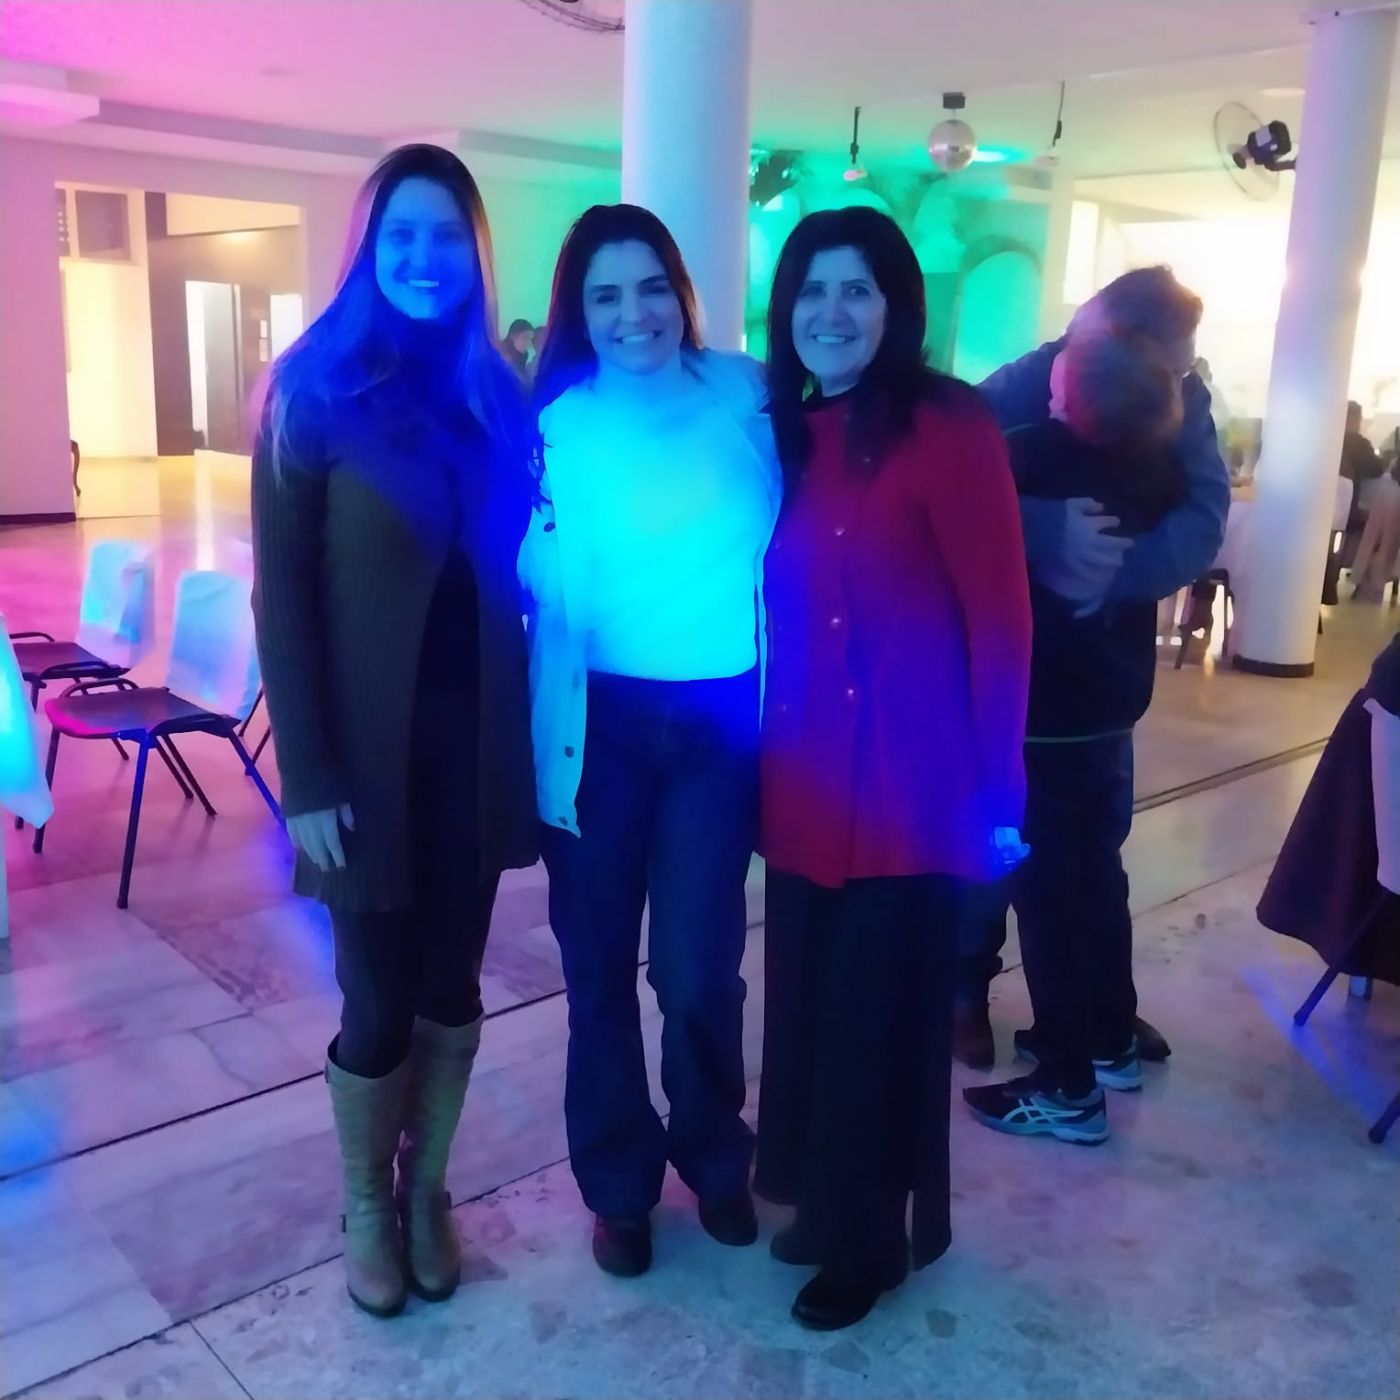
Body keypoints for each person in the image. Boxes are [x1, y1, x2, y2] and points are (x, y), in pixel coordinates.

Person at [251, 144, 538, 1319]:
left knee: (451, 983)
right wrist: (307, 773)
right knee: (374, 997)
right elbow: (283, 597)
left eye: (445, 235)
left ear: (474, 251)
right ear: (369, 246)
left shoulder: (495, 394)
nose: (423, 257)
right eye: (400, 234)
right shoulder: (312, 390)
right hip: (362, 761)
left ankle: (427, 1189)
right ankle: (366, 1200)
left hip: (472, 747)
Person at [754, 207, 1032, 1331]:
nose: (831, 312)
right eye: (812, 290)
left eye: (855, 290)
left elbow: (1001, 616)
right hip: (802, 782)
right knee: (811, 1010)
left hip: (912, 792)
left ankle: (871, 1240)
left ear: (894, 306)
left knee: (879, 1020)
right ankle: (824, 1204)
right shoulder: (786, 429)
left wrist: (998, 790)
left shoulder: (947, 424)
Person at [519, 204, 781, 1279]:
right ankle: (618, 1187)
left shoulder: (748, 394)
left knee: (697, 969)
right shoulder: (554, 424)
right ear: (579, 312)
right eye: (606, 295)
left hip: (718, 726)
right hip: (597, 730)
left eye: (650, 287)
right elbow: (511, 563)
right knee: (596, 974)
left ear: (681, 291)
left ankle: (715, 1157)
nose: (634, 314)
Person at [954, 264, 1230, 1070]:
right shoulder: (1022, 389)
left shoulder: (1177, 397)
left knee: (1090, 856)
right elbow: (950, 486)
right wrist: (1037, 532)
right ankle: (967, 991)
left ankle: (1094, 1019)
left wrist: (1111, 571)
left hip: (1100, 689)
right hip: (1014, 687)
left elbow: (1203, 511)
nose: (1184, 380)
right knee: (995, 849)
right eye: (1175, 364)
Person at [962, 333, 1185, 1144]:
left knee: (1045, 895)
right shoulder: (1158, 474)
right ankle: (1109, 1037)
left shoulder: (1034, 454)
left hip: (1041, 720)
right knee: (1097, 877)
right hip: (1110, 714)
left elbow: (962, 494)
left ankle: (1065, 1085)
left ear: (1070, 394)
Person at [502, 317, 533, 381]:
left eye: (531, 339)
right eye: (526, 338)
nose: (529, 344)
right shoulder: (498, 356)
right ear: (513, 336)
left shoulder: (523, 355)